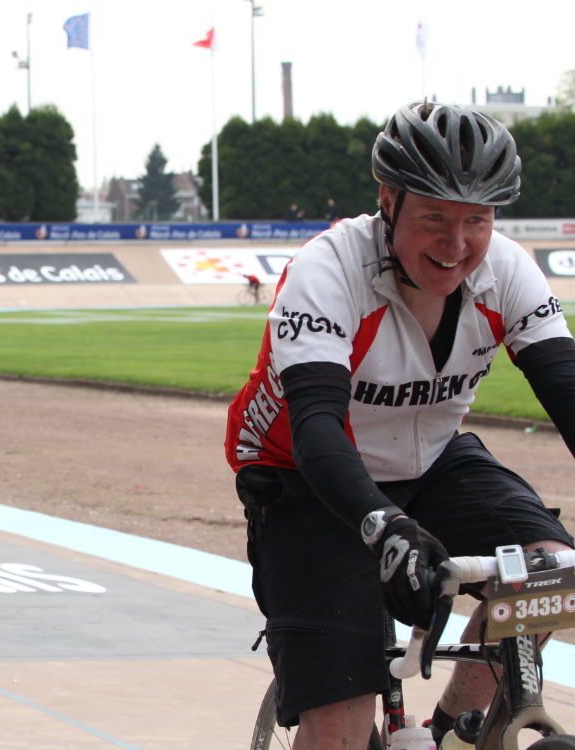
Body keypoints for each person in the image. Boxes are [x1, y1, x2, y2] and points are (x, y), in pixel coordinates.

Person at [225, 100, 575, 749]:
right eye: (435, 216)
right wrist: (385, 529)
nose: (457, 242)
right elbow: (318, 430)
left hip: (430, 457)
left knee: (553, 570)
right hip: (305, 474)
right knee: (341, 717)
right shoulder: (329, 270)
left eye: (477, 219)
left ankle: (454, 733)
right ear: (388, 199)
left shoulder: (507, 269)